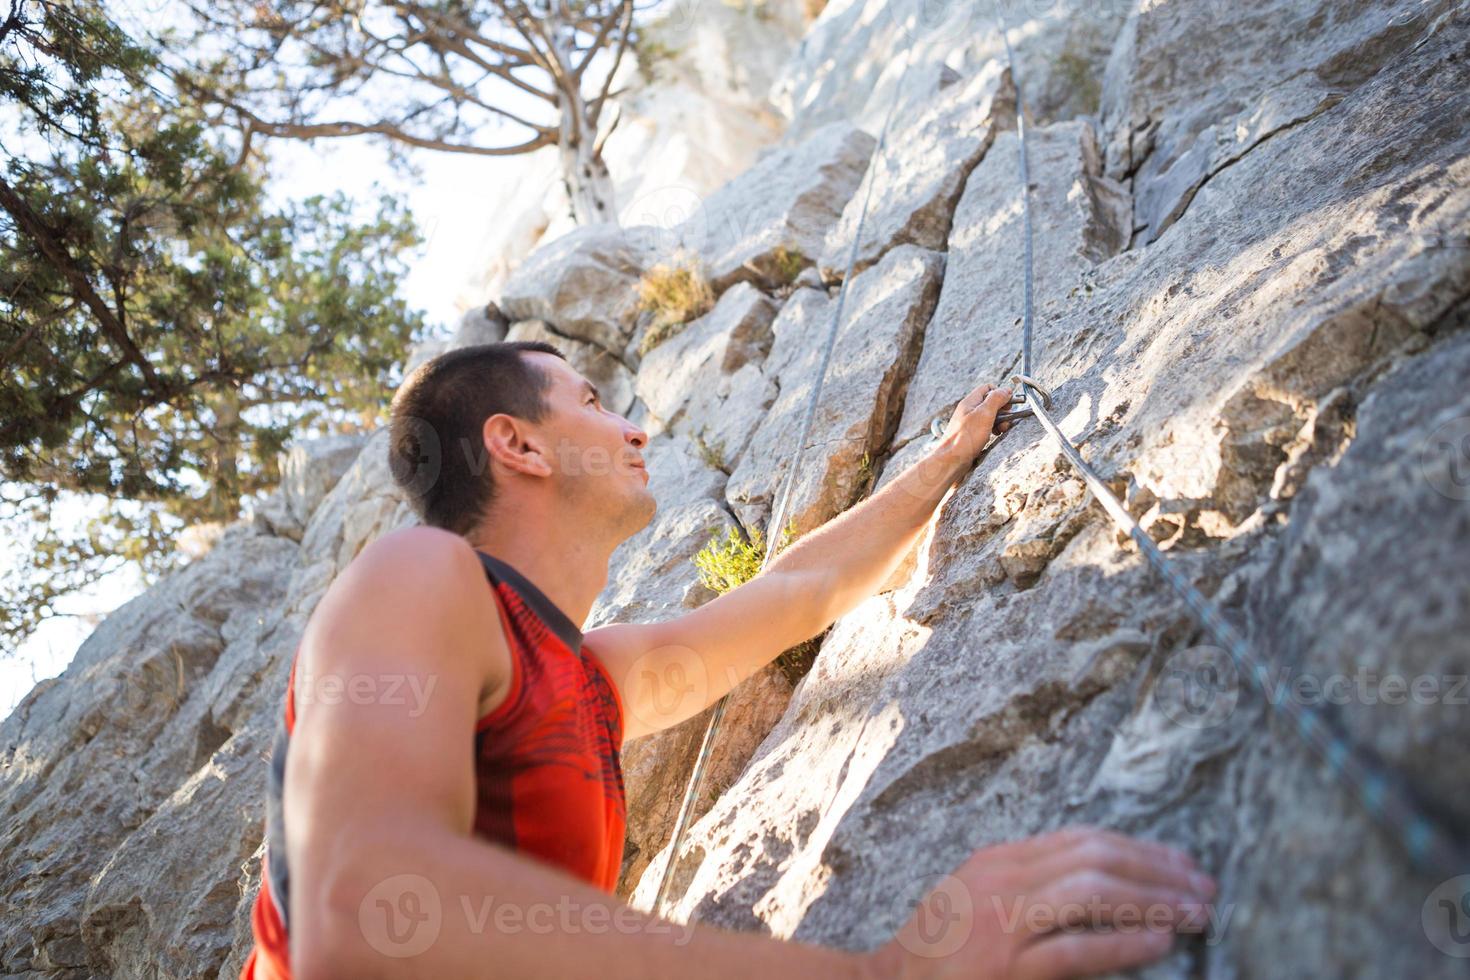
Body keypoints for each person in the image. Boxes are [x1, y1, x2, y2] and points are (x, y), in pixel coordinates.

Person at [240, 341, 1216, 980]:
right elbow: (363, 913)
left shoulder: (582, 676)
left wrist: (946, 460)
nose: (635, 426)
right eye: (591, 399)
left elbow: (797, 594)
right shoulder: (418, 570)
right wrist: (889, 971)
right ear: (519, 443)